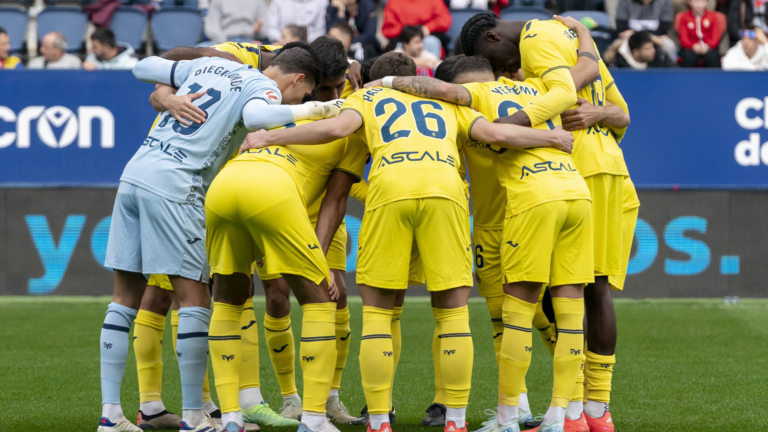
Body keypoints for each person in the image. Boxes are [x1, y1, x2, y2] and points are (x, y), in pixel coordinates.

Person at [238, 51, 575, 432]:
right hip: (446, 192)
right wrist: (551, 136)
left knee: (379, 312)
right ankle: (457, 421)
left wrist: (269, 136)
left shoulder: (365, 98)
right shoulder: (444, 102)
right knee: (452, 311)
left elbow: (333, 130)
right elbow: (496, 133)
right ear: (416, 77)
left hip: (390, 191)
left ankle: (379, 420)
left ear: (369, 77)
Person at [376, 18, 604, 432]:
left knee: (514, 317)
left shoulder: (471, 101)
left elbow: (442, 93)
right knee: (558, 313)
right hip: (559, 199)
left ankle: (512, 415)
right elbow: (588, 71)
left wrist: (383, 81)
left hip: (522, 208)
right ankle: (562, 413)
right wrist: (583, 35)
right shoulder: (540, 90)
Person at [97, 49, 335, 432]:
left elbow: (141, 66)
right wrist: (316, 112)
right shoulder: (263, 86)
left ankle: (110, 415)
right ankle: (194, 416)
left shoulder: (211, 65)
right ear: (298, 80)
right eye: (302, 97)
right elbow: (258, 117)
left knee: (124, 298)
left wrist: (169, 98)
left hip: (134, 174)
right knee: (194, 300)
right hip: (178, 184)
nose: (296, 102)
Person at [144, 38, 362, 427]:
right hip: (271, 192)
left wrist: (163, 93)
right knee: (319, 302)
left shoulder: (260, 104)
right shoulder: (345, 121)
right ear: (303, 80)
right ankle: (313, 416)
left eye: (335, 88)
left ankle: (230, 416)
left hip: (223, 186)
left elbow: (157, 63)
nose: (329, 94)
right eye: (321, 89)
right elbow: (335, 201)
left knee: (226, 300)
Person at [459, 12, 638, 432]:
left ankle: (570, 411)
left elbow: (561, 94)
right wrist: (584, 36)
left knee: (558, 293)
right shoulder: (572, 42)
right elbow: (621, 113)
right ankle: (595, 411)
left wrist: (515, 124)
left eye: (495, 59)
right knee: (593, 289)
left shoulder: (536, 37)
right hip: (611, 170)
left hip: (577, 169)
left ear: (493, 36)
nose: (507, 71)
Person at [382, 0, 451, 58]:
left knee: (431, 42)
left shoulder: (434, 1)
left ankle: (432, 72)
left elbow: (444, 21)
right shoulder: (393, 2)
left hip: (427, 36)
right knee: (398, 47)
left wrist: (427, 28)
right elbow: (388, 29)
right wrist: (408, 32)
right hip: (403, 39)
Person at [675, 0, 725, 67]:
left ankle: (713, 77)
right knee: (688, 57)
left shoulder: (713, 17)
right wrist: (693, 46)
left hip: (708, 47)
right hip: (690, 48)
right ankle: (688, 77)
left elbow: (716, 37)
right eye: (696, 1)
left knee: (713, 57)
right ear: (689, 2)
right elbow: (683, 38)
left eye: (702, 1)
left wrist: (707, 46)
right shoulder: (684, 17)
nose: (699, 4)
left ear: (707, 2)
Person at [204, 0, 268, 43]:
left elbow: (265, 31)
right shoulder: (218, 1)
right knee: (199, 49)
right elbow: (212, 29)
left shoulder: (258, 2)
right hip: (223, 40)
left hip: (249, 41)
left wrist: (258, 31)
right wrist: (225, 43)